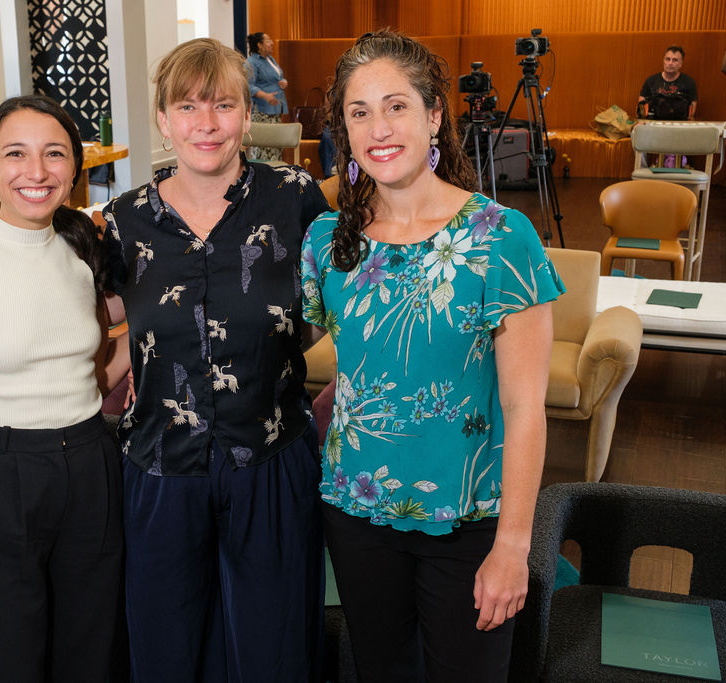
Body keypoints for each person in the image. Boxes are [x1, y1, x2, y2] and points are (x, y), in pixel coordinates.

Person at [301, 30, 564, 682]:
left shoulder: (501, 239)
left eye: (396, 106)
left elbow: (526, 408)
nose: (378, 128)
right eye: (358, 112)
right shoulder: (328, 241)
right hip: (356, 510)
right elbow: (287, 350)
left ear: (434, 116)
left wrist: (513, 545)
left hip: (471, 523)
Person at [101, 38, 329, 682]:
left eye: (223, 105)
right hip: (159, 463)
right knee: (166, 637)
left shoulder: (294, 198)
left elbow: (344, 307)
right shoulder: (125, 220)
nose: (206, 124)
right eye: (188, 107)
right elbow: (115, 330)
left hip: (271, 456)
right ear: (162, 119)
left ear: (246, 114)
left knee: (274, 639)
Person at [0, 94, 129, 682]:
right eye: (16, 154)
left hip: (91, 464)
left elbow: (89, 375)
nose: (36, 173)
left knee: (91, 651)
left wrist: (153, 323)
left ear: (74, 167)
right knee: (1, 658)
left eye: (54, 154)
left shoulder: (83, 245)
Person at [246, 32, 288, 161]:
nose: (272, 43)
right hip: (261, 111)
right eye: (268, 40)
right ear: (259, 45)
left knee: (275, 145)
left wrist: (283, 82)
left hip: (275, 110)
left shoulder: (270, 59)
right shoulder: (251, 62)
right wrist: (265, 96)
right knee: (263, 147)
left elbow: (277, 77)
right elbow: (248, 85)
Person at [638, 46, 697, 121]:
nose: (670, 63)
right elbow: (641, 111)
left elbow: (691, 115)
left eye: (675, 60)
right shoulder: (651, 81)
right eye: (668, 59)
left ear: (681, 64)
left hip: (679, 127)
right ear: (663, 61)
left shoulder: (689, 83)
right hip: (654, 126)